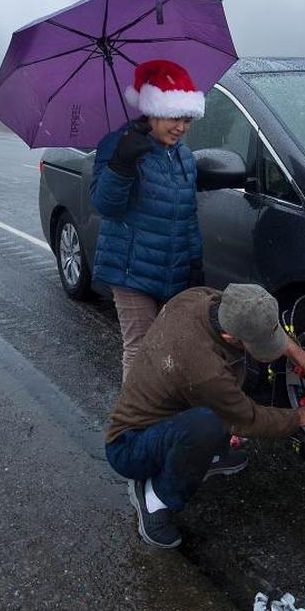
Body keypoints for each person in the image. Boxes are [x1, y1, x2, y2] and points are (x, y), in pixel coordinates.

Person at [104, 283, 305, 549]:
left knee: (215, 414)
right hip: (130, 445)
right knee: (207, 424)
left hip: (174, 408)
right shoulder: (204, 369)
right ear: (231, 336)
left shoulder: (204, 298)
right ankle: (155, 496)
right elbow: (248, 418)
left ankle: (203, 455)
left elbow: (264, 327)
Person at [90, 59, 209, 382]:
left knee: (170, 348)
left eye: (187, 119)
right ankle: (133, 427)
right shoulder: (118, 144)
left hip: (173, 269)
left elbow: (187, 214)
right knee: (140, 349)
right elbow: (105, 206)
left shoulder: (183, 156)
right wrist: (122, 163)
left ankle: (161, 415)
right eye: (174, 117)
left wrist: (194, 262)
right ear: (152, 109)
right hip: (130, 269)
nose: (181, 127)